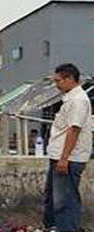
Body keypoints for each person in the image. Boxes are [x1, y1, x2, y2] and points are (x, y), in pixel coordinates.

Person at [43, 63, 92, 232]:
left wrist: (64, 158)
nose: (56, 85)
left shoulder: (78, 101)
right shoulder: (71, 98)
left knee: (65, 201)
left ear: (69, 79)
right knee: (54, 199)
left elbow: (74, 129)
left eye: (58, 81)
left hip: (69, 158)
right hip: (60, 156)